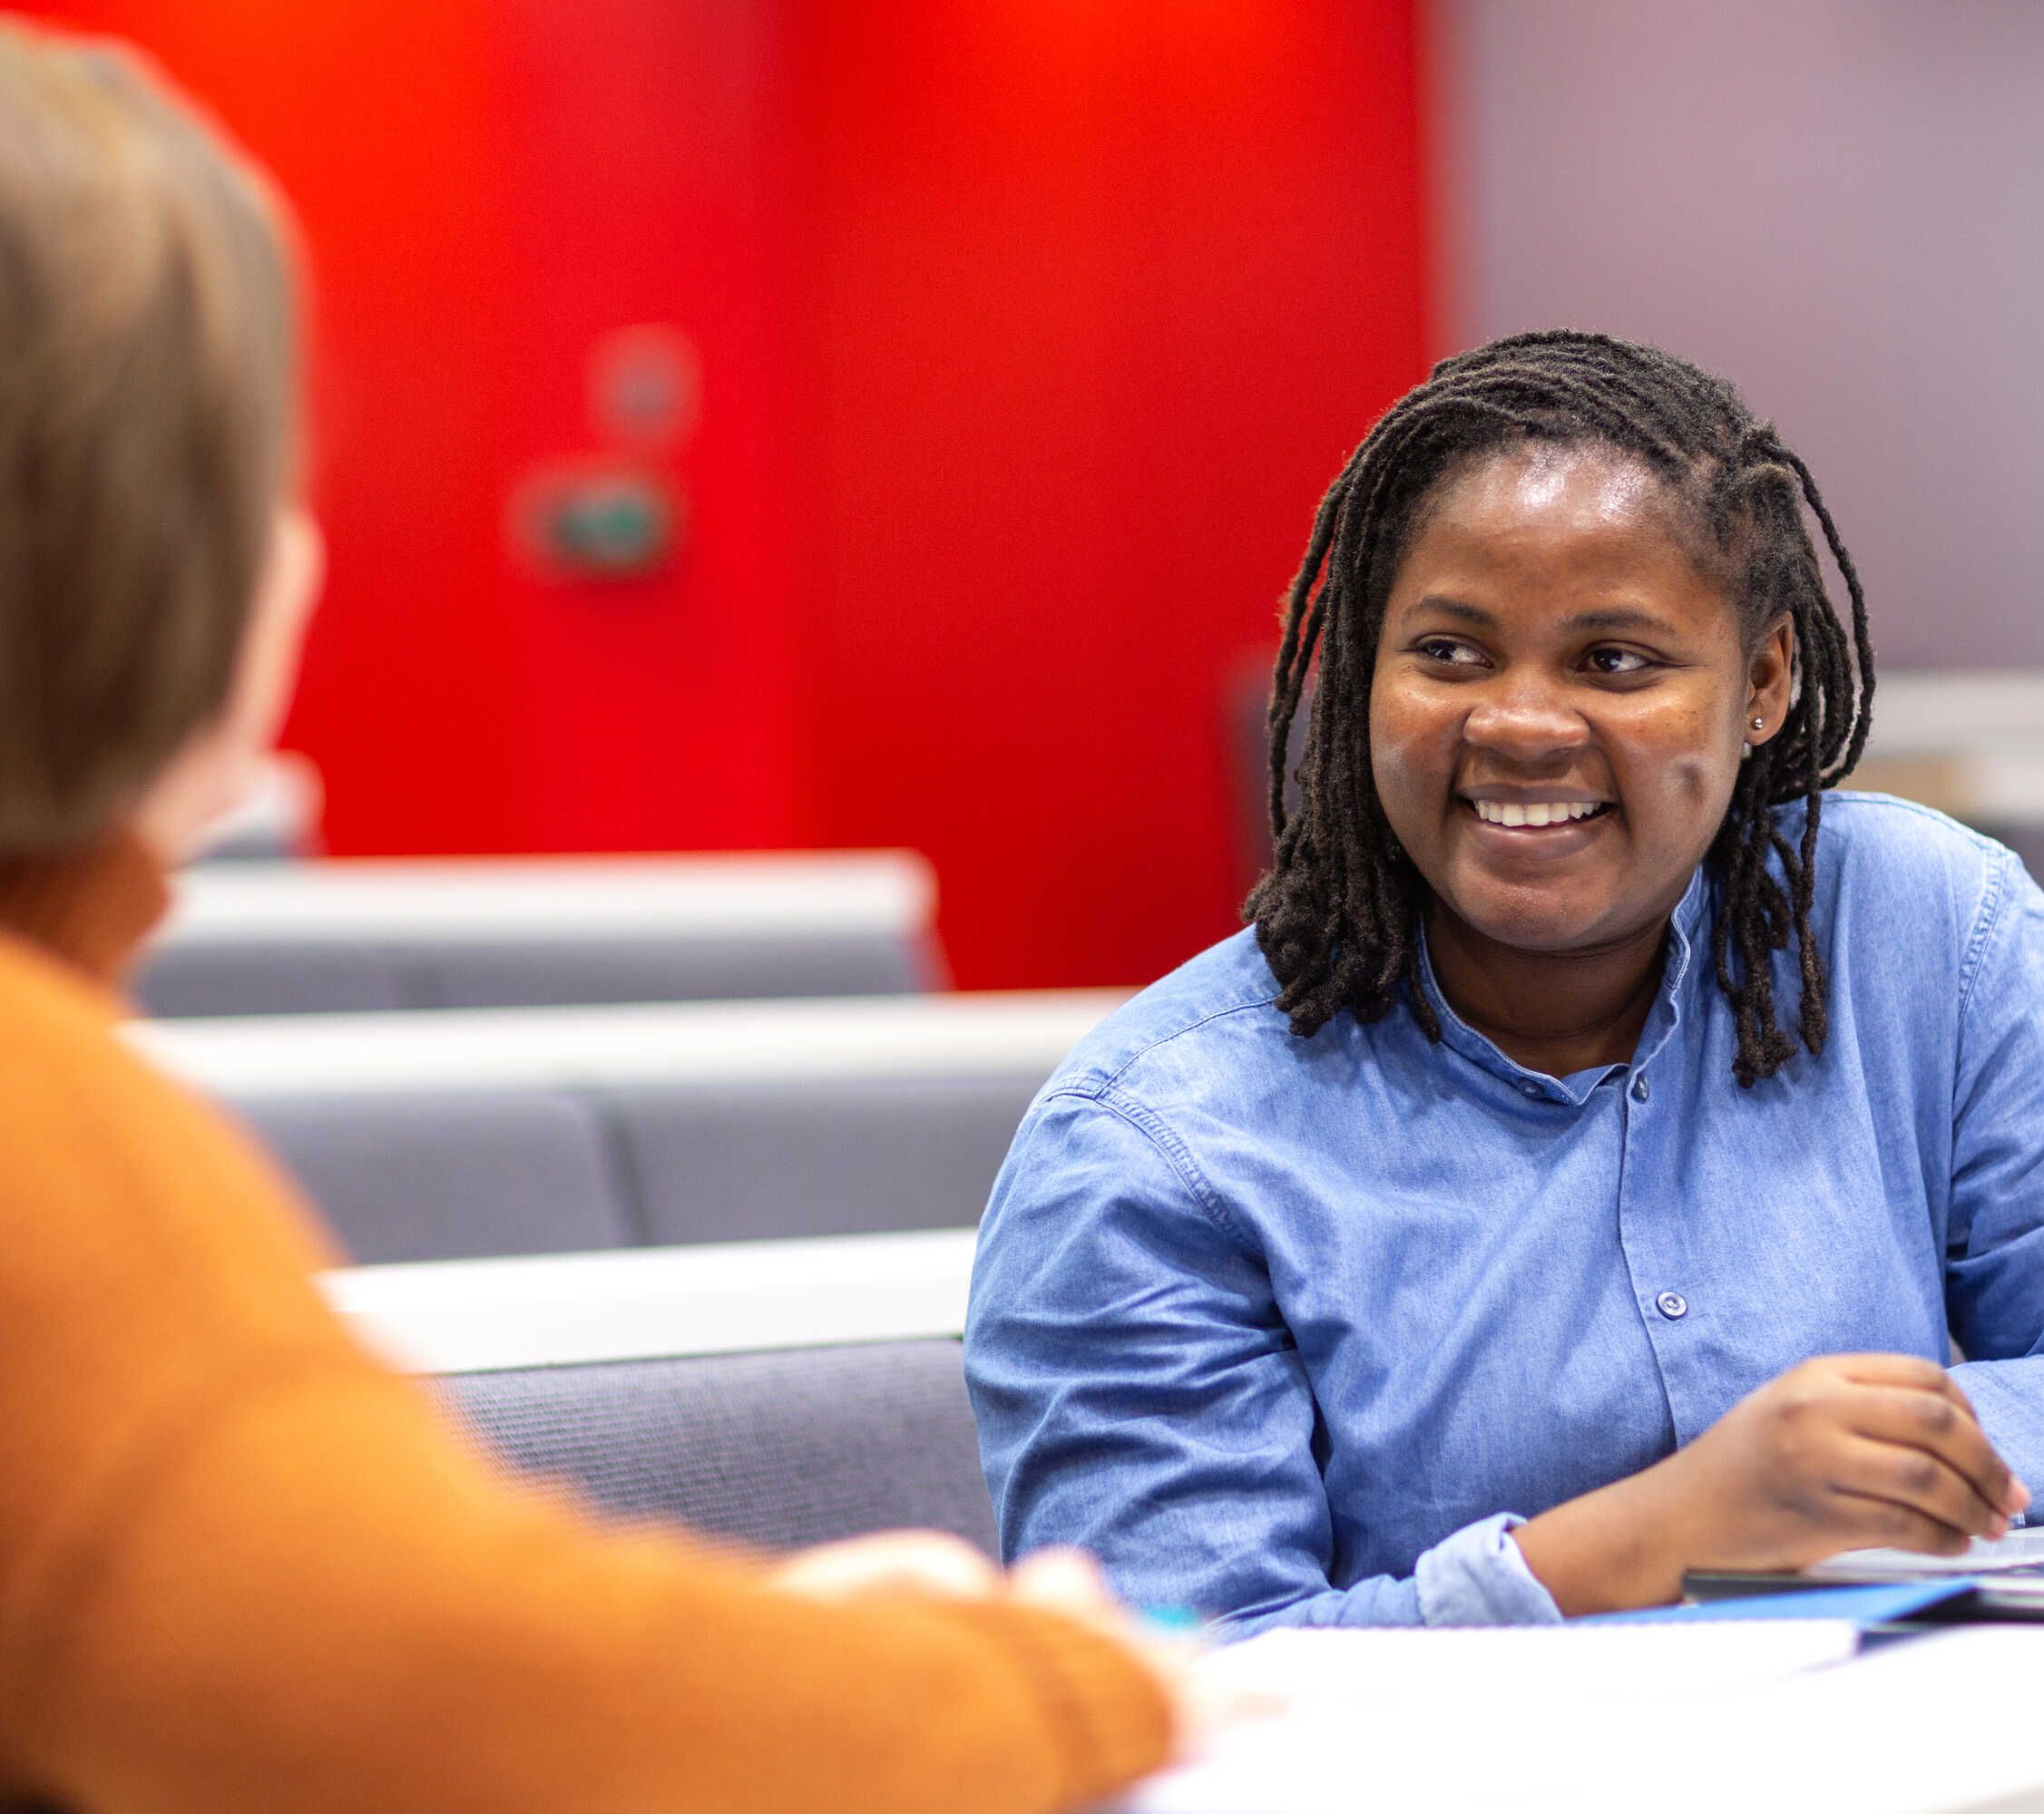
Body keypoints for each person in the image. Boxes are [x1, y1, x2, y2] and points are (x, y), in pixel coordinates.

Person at [0, 24, 1178, 1812]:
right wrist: (1055, 1680)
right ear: (155, 553)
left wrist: (726, 1645)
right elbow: (445, 1724)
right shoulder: (52, 1144)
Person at [967, 330, 2044, 1629]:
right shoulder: (1154, 1150)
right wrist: (1655, 1534)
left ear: (1761, 684)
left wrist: (1856, 1466)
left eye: (1614, 662)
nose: (1521, 724)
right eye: (1451, 654)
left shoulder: (1929, 935)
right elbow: (1173, 1697)